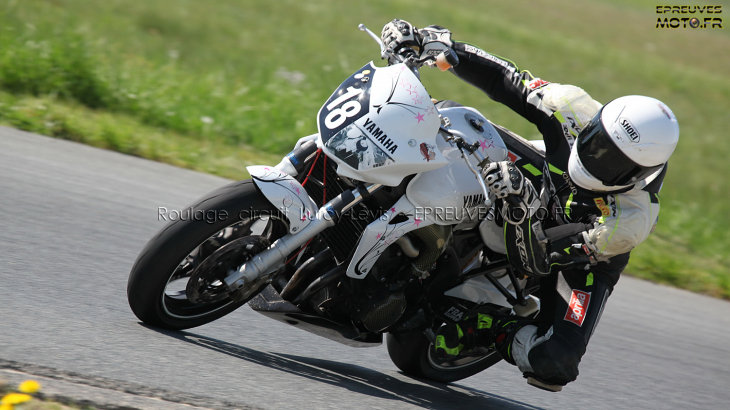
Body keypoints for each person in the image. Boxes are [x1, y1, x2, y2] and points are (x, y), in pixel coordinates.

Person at [381, 19, 679, 392]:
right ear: (597, 121)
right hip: (536, 175)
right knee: (450, 120)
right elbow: (508, 81)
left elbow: (536, 260)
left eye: (612, 161)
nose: (595, 156)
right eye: (596, 139)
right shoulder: (574, 106)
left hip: (578, 253)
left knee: (554, 363)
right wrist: (439, 46)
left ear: (639, 174)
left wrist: (520, 210)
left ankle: (487, 326)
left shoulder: (629, 220)